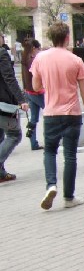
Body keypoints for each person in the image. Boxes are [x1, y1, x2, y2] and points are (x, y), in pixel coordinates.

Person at [30, 22, 84, 210]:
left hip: (51, 113)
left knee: (49, 151)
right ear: (67, 37)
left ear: (51, 38)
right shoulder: (75, 60)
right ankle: (69, 197)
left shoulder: (41, 58)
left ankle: (51, 185)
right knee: (70, 155)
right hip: (71, 113)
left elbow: (35, 87)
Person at [0, 47, 29, 182]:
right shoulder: (1, 53)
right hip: (3, 103)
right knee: (14, 134)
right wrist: (21, 99)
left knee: (1, 136)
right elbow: (9, 78)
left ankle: (1, 173)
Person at [21, 38, 45, 150]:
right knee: (50, 113)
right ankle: (51, 138)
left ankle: (33, 141)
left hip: (29, 92)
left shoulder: (24, 59)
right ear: (34, 48)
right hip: (37, 92)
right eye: (38, 49)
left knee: (33, 118)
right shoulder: (33, 60)